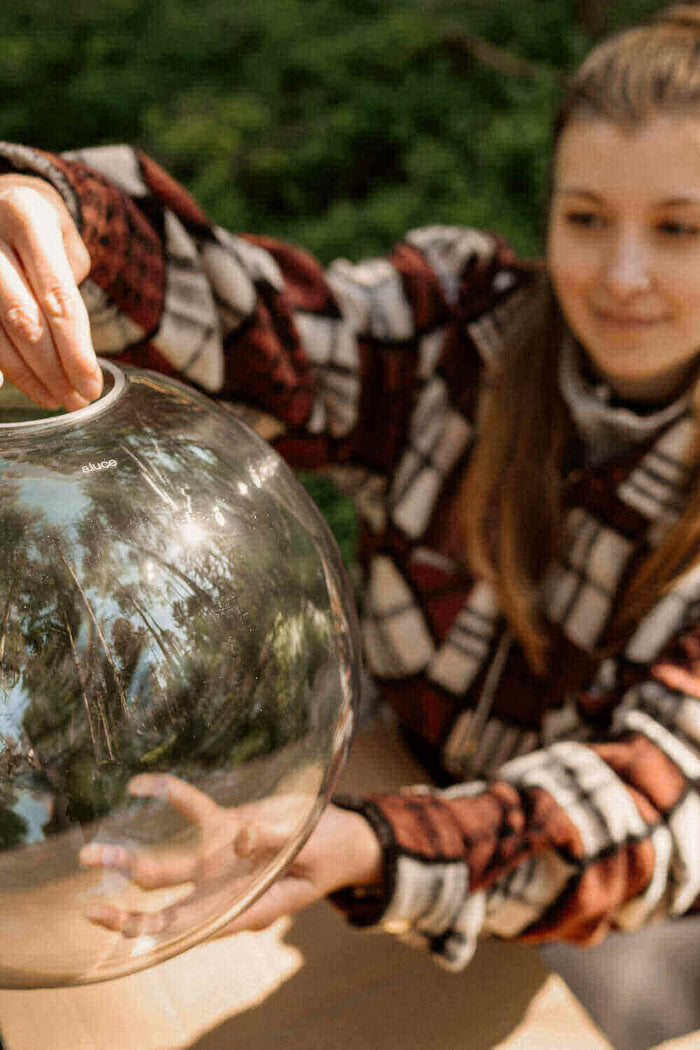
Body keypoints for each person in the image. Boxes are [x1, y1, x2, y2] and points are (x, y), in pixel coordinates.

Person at [0, 5, 699, 1047]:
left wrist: (377, 850)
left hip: (612, 935)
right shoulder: (459, 332)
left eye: (680, 227)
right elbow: (263, 327)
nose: (623, 275)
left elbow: (652, 802)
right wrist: (67, 223)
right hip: (365, 802)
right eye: (587, 218)